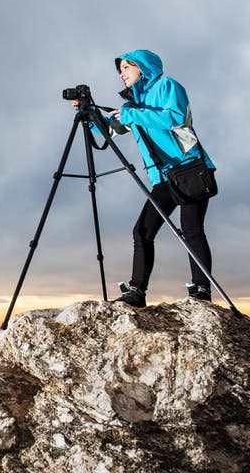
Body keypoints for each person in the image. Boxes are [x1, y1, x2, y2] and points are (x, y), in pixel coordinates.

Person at [76, 49, 216, 307]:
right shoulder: (132, 105)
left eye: (126, 68)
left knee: (192, 230)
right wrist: (90, 116)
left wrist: (133, 114)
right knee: (142, 231)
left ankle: (201, 290)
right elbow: (112, 131)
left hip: (189, 168)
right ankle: (136, 292)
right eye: (120, 70)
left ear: (143, 67)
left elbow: (175, 117)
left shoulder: (166, 86)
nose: (122, 74)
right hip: (162, 177)